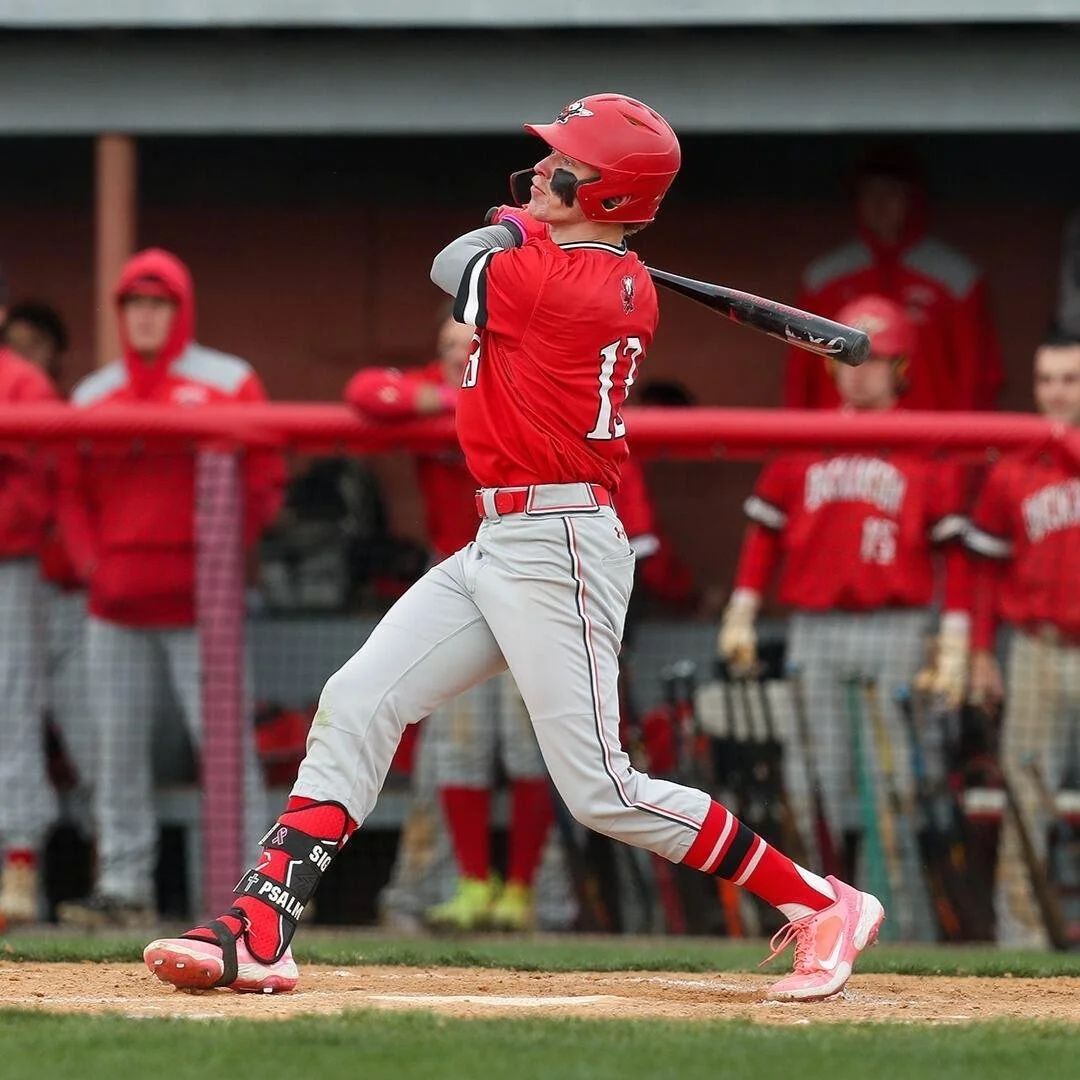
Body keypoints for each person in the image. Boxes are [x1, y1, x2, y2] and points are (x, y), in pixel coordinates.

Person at [144, 93, 883, 1002]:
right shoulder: (590, 272)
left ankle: (821, 901)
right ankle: (260, 930)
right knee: (359, 697)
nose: (538, 174)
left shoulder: (555, 283)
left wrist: (508, 227)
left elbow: (451, 258)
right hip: (501, 537)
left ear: (606, 196)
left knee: (604, 791)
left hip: (560, 542)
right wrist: (528, 226)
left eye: (561, 166)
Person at [719, 295, 970, 940]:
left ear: (901, 365)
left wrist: (956, 637)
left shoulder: (925, 443)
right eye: (850, 358)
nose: (861, 371)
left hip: (898, 625)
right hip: (816, 627)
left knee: (893, 792)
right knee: (811, 785)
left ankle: (903, 930)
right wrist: (743, 610)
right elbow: (762, 533)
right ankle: (818, 922)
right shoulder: (805, 438)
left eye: (877, 359)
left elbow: (955, 554)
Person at [55, 248, 285, 928]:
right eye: (134, 304)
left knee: (225, 752)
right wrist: (93, 562)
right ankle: (124, 887)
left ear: (179, 310)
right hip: (114, 606)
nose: (146, 315)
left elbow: (265, 481)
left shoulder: (229, 379)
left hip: (202, 608)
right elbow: (69, 493)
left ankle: (251, 894)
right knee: (112, 751)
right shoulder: (94, 394)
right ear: (121, 313)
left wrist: (218, 559)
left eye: (158, 303)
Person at [346, 313, 557, 932]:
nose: (449, 355)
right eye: (441, 347)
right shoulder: (442, 388)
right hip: (456, 580)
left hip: (528, 567)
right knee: (461, 743)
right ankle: (472, 885)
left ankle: (520, 892)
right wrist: (451, 392)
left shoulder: (523, 384)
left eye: (462, 347)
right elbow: (366, 392)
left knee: (530, 747)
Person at [964, 327, 1080, 947]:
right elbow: (985, 568)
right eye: (1047, 380)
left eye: (1070, 379)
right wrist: (981, 652)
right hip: (1037, 650)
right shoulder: (1013, 467)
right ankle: (1022, 943)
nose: (1056, 393)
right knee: (1024, 806)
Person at [784, 145, 1003, 413]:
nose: (880, 203)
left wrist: (962, 450)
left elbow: (977, 378)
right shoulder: (823, 280)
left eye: (892, 192)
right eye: (870, 192)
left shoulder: (957, 280)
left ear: (913, 198)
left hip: (928, 443)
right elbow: (799, 380)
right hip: (839, 442)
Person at [0, 269, 61, 925]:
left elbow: (46, 487)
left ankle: (19, 864)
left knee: (10, 713)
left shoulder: (21, 380)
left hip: (9, 567)